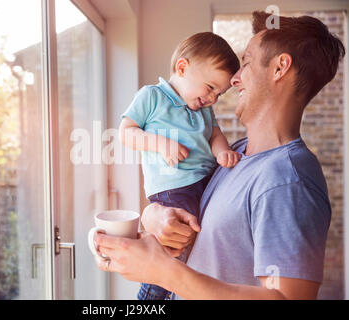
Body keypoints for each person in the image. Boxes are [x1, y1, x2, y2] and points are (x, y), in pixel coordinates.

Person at [95, 11, 345, 299]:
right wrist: (154, 216)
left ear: (280, 68)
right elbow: (196, 215)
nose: (235, 79)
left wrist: (163, 272)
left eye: (247, 63)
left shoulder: (288, 180)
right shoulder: (235, 154)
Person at [118, 32, 241, 300]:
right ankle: (148, 298)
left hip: (205, 183)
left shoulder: (204, 111)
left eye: (219, 94)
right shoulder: (152, 97)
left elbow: (215, 135)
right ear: (182, 68)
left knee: (197, 248)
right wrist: (160, 143)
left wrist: (223, 152)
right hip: (174, 188)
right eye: (210, 88)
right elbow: (126, 132)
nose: (212, 99)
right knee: (175, 251)